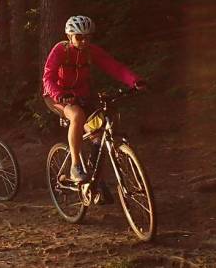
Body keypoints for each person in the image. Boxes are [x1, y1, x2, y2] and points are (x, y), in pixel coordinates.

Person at [42, 15, 147, 184]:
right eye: (79, 37)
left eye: (87, 37)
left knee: (99, 132)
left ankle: (95, 178)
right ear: (69, 37)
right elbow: (48, 78)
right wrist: (59, 94)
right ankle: (75, 166)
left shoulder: (92, 51)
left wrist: (134, 80)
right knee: (77, 116)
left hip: (82, 95)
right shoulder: (61, 50)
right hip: (56, 96)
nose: (84, 41)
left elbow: (115, 67)